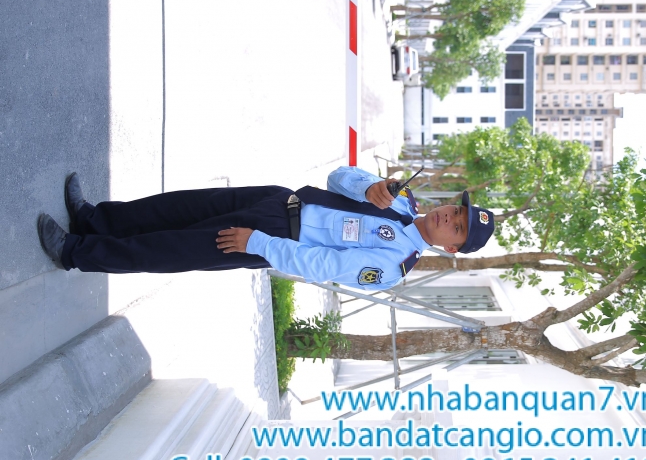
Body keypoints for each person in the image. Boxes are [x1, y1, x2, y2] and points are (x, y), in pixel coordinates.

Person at [37, 166, 495, 291]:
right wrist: (368, 185)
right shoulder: (401, 197)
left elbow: (322, 265)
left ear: (452, 249)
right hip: (279, 199)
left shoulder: (395, 265)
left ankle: (75, 253)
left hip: (272, 239)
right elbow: (338, 179)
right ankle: (93, 219)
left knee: (171, 248)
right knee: (173, 208)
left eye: (456, 228)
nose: (448, 218)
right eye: (456, 211)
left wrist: (259, 243)